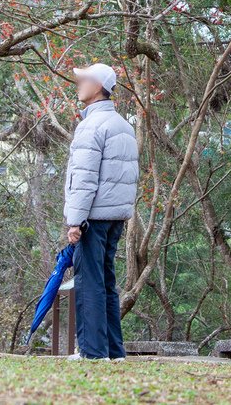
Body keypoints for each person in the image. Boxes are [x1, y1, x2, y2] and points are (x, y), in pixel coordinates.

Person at [64, 63, 139, 361]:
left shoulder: (92, 125)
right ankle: (114, 351)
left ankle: (93, 352)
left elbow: (84, 178)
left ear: (98, 86)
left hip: (92, 216)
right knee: (107, 281)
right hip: (115, 217)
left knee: (89, 281)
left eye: (83, 79)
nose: (78, 83)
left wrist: (75, 221)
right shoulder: (124, 125)